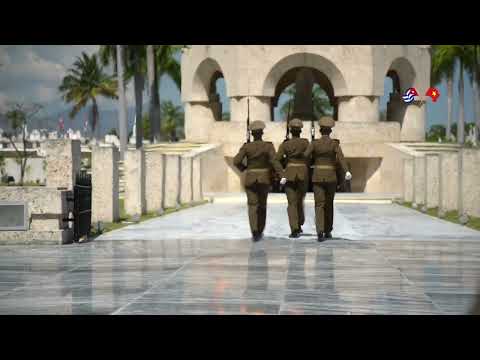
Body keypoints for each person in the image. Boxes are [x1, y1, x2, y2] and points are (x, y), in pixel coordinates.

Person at [304, 116, 352, 241]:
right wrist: (346, 171)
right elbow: (341, 158)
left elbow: (305, 157)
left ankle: (319, 231)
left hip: (318, 177)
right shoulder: (334, 143)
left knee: (319, 204)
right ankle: (327, 231)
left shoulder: (314, 143)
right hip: (331, 176)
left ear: (320, 131)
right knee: (329, 204)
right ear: (330, 131)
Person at [233, 120, 282, 242]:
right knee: (262, 205)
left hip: (250, 178)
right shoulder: (268, 146)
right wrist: (282, 174)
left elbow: (236, 161)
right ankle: (260, 230)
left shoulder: (246, 146)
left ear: (252, 134)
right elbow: (274, 161)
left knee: (252, 205)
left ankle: (254, 231)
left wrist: (244, 169)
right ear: (262, 133)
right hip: (264, 178)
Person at [273, 119, 309, 238]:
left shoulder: (285, 144)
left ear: (290, 130)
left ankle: (294, 228)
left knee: (291, 203)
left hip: (289, 174)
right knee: (300, 200)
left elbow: (276, 160)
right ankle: (299, 223)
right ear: (300, 130)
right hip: (303, 174)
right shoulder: (305, 143)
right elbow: (309, 156)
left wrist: (282, 173)